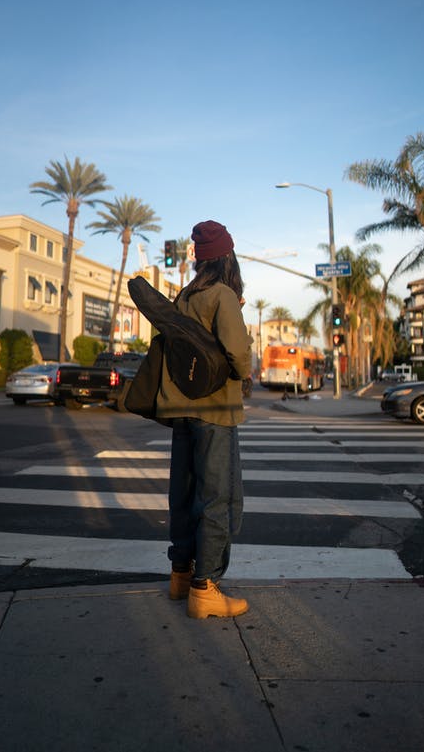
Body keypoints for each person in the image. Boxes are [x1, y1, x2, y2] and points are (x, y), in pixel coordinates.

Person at [155, 220, 253, 619]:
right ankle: (206, 587)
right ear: (227, 257)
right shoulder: (222, 295)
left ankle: (181, 574)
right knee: (218, 497)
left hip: (183, 412)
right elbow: (240, 359)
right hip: (216, 411)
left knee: (184, 493)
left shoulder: (184, 296)